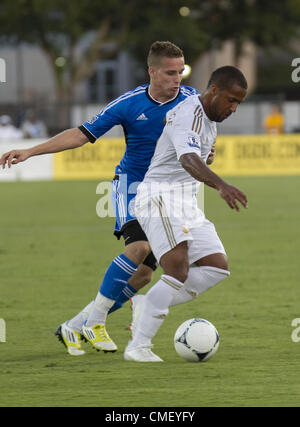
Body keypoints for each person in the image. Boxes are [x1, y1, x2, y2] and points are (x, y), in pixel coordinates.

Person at [0, 41, 200, 356]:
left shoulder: (192, 101)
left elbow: (201, 141)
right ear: (152, 71)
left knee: (145, 274)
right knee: (140, 247)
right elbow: (81, 134)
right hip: (131, 186)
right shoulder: (129, 103)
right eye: (170, 73)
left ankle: (75, 325)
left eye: (181, 72)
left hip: (167, 194)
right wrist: (30, 151)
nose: (178, 79)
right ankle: (95, 321)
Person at [124, 66, 248, 362]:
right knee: (177, 269)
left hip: (185, 203)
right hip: (159, 197)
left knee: (216, 267)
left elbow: (198, 156)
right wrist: (222, 185)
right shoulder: (188, 113)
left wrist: (209, 158)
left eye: (238, 103)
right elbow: (188, 159)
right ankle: (138, 346)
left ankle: (147, 303)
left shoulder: (210, 121)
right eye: (231, 100)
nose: (233, 108)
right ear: (214, 90)